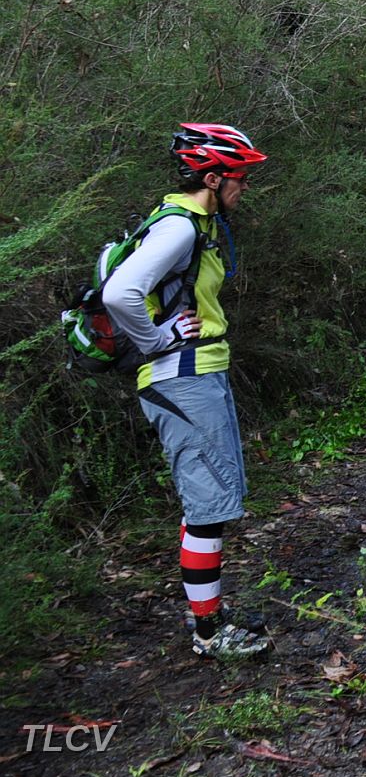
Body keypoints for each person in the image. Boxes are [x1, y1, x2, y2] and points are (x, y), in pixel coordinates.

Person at [103, 123, 271, 658]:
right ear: (213, 177)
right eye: (239, 177)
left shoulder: (194, 222)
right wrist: (158, 338)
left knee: (212, 501)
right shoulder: (178, 227)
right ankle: (208, 633)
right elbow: (120, 292)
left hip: (195, 373)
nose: (244, 187)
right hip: (181, 375)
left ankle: (210, 613)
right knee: (207, 504)